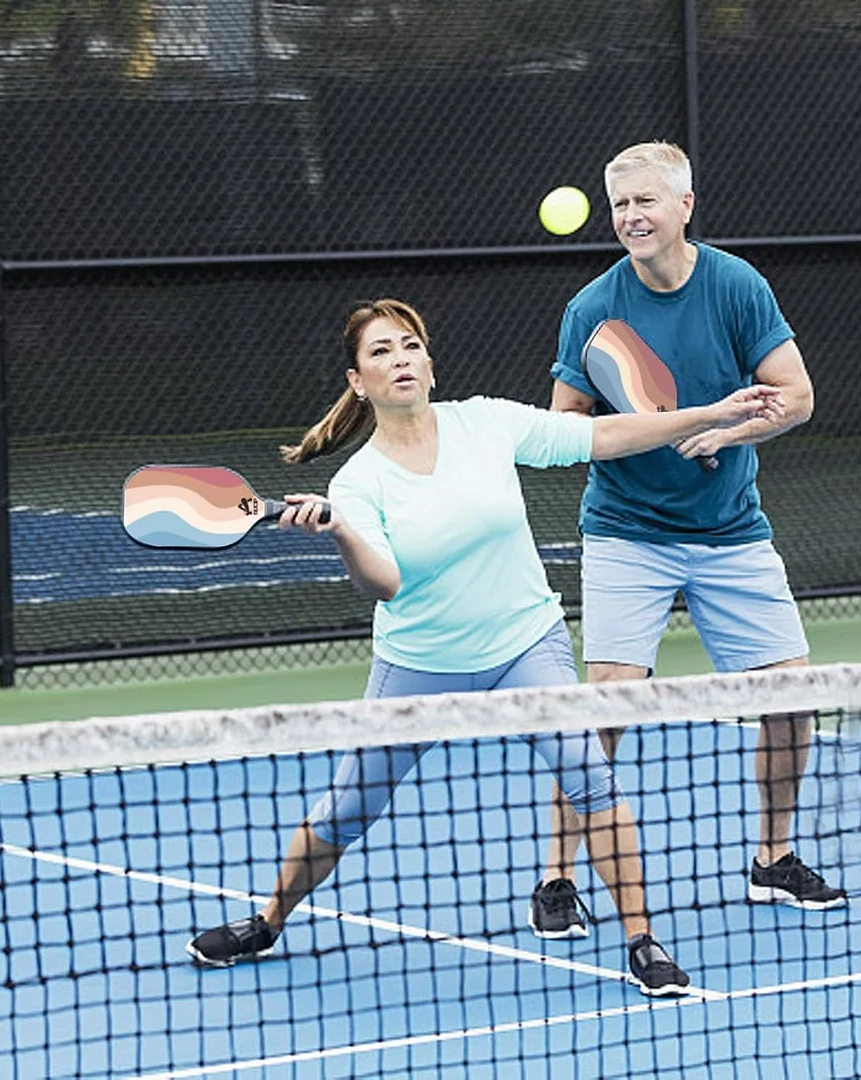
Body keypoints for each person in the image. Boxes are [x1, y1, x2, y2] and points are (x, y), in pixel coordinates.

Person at [186, 297, 784, 996]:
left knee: (590, 776)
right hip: (420, 664)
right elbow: (385, 584)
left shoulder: (487, 423)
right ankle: (268, 921)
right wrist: (341, 530)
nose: (399, 360)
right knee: (349, 806)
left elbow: (602, 435)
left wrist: (709, 415)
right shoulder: (358, 482)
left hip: (525, 643)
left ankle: (642, 940)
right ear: (357, 381)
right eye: (380, 352)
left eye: (409, 346)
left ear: (430, 365)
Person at [534, 141, 846, 939]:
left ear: (684, 206)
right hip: (627, 531)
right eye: (620, 205)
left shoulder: (737, 287)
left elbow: (796, 396)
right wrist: (644, 428)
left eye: (645, 201)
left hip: (731, 529)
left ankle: (773, 857)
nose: (631, 217)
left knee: (792, 699)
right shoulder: (593, 309)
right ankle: (558, 875)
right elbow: (563, 427)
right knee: (605, 706)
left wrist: (728, 432)